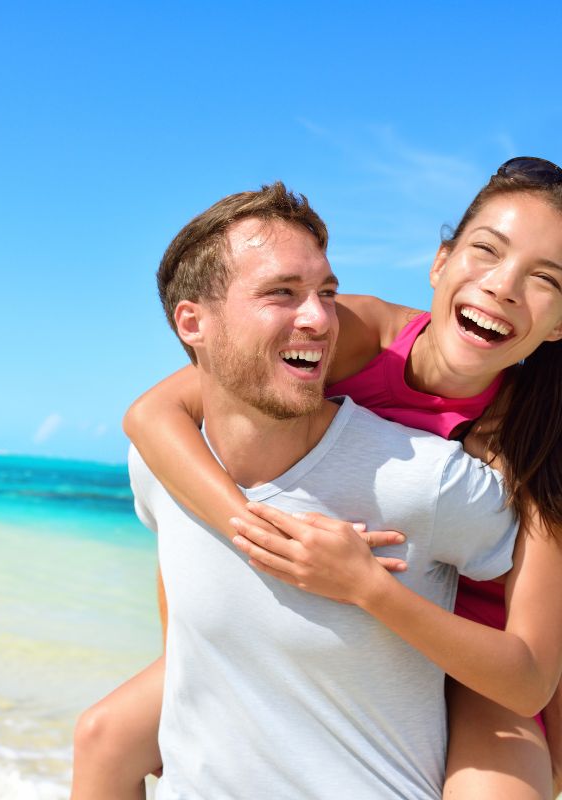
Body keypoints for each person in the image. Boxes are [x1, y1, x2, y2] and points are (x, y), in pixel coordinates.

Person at [71, 160, 562, 800]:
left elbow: (529, 674)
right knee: (103, 736)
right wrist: (252, 532)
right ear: (439, 263)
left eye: (546, 279)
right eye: (486, 252)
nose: (503, 287)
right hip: (334, 608)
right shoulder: (352, 334)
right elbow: (153, 415)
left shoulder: (543, 435)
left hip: (477, 650)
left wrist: (364, 586)